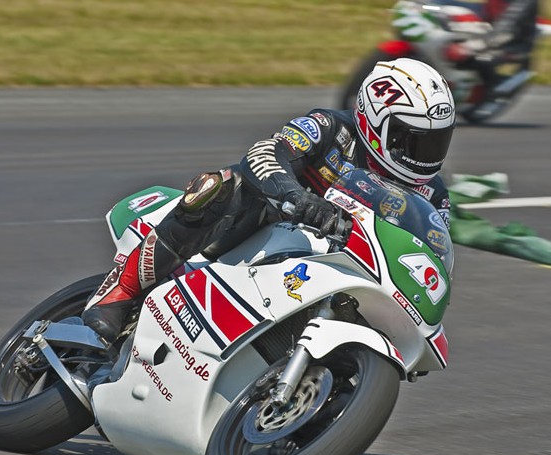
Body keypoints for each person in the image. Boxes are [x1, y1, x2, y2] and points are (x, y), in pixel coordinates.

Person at [81, 57, 457, 342]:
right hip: (272, 226)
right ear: (375, 122)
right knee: (223, 185)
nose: (425, 154)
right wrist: (298, 197)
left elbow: (433, 256)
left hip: (349, 264)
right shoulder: (329, 128)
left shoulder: (433, 194)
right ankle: (121, 289)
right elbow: (264, 153)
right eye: (412, 139)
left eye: (436, 140)